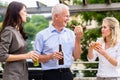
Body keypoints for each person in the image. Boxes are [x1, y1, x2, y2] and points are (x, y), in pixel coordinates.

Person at [34, 3, 83, 80]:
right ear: (56, 16)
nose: (68, 19)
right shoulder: (41, 35)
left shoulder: (71, 34)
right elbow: (35, 59)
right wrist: (50, 56)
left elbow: (77, 56)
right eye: (66, 16)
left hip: (67, 74)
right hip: (49, 75)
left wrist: (78, 38)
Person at [0, 1, 39, 80]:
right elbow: (2, 56)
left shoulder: (18, 31)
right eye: (24, 11)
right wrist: (27, 55)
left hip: (22, 74)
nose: (26, 14)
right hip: (12, 76)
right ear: (17, 13)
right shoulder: (8, 31)